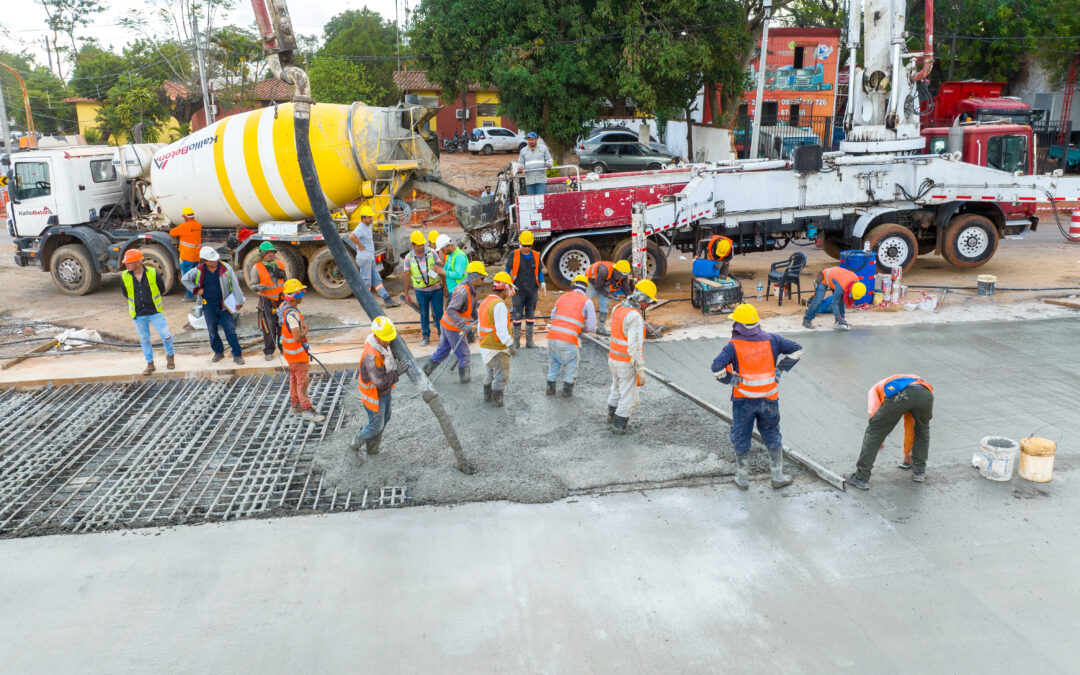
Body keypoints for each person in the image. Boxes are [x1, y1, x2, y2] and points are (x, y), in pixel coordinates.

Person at [710, 304, 804, 490]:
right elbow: (798, 350)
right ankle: (777, 476)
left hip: (743, 401)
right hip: (769, 399)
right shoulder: (773, 339)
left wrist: (732, 380)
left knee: (741, 435)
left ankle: (742, 478)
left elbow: (716, 368)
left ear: (738, 325)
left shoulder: (733, 346)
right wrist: (780, 370)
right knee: (772, 434)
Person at [846, 374, 935, 489]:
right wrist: (908, 456)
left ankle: (861, 477)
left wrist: (880, 438)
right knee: (921, 430)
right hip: (925, 393)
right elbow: (911, 427)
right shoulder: (913, 379)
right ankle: (919, 472)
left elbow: (874, 416)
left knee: (874, 431)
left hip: (900, 395)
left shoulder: (875, 389)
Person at [607, 279, 658, 434]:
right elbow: (634, 346)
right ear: (641, 299)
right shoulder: (634, 317)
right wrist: (639, 368)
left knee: (616, 389)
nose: (648, 305)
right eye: (648, 302)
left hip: (613, 359)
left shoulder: (618, 308)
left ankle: (610, 417)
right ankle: (619, 427)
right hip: (626, 363)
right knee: (628, 397)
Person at [423, 260, 487, 383]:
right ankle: (465, 381)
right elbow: (451, 310)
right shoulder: (463, 292)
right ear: (475, 277)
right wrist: (463, 325)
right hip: (453, 327)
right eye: (482, 278)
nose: (483, 281)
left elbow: (473, 307)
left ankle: (424, 373)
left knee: (443, 350)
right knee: (464, 354)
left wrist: (478, 320)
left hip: (448, 325)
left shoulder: (471, 290)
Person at [181, 245, 246, 365]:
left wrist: (239, 301)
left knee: (230, 330)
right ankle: (218, 352)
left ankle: (237, 354)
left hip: (225, 306)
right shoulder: (199, 271)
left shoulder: (225, 268)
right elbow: (184, 279)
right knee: (212, 331)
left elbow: (235, 285)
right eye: (211, 261)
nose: (215, 262)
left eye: (216, 259)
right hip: (209, 307)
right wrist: (196, 290)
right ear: (204, 261)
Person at [349, 316, 401, 456]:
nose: (389, 341)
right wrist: (397, 373)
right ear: (376, 336)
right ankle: (354, 444)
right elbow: (380, 382)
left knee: (386, 418)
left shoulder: (382, 346)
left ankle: (372, 448)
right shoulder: (372, 357)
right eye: (386, 339)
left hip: (384, 393)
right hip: (375, 396)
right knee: (375, 426)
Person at [276, 279, 326, 423]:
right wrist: (306, 330)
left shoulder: (284, 308)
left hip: (290, 354)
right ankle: (307, 410)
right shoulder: (292, 315)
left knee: (294, 379)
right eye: (301, 292)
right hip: (297, 355)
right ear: (294, 296)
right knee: (302, 383)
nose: (303, 294)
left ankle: (296, 405)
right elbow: (297, 336)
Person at [120, 248, 174, 376]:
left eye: (129, 263)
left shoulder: (153, 272)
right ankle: (150, 364)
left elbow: (161, 289)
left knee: (166, 335)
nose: (126, 265)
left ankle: (170, 356)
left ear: (138, 262)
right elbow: (125, 293)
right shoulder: (124, 275)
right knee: (144, 340)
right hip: (139, 314)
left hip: (155, 311)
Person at [546, 274, 597, 397]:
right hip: (568, 339)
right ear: (586, 288)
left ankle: (550, 389)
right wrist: (579, 329)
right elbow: (591, 326)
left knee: (554, 363)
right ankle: (566, 392)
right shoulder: (587, 302)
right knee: (572, 363)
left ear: (572, 286)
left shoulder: (562, 297)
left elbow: (553, 316)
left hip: (552, 337)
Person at [346, 205, 400, 309]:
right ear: (363, 218)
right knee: (366, 281)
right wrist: (360, 246)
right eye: (369, 217)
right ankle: (367, 303)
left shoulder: (368, 226)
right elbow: (351, 236)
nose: (372, 218)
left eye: (372, 216)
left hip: (369, 257)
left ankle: (387, 299)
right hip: (365, 258)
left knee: (377, 280)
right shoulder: (360, 228)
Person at [477, 271, 515, 406]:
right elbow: (501, 330)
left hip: (485, 345)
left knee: (490, 373)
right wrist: (510, 344)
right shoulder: (499, 305)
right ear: (505, 289)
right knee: (501, 375)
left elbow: (480, 325)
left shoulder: (484, 302)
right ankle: (496, 401)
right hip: (497, 347)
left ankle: (487, 396)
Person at [506, 230, 546, 350]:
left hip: (532, 290)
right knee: (517, 315)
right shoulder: (514, 254)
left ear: (531, 244)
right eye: (524, 245)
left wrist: (542, 282)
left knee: (530, 315)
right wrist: (508, 283)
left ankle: (529, 341)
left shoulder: (536, 255)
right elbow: (507, 270)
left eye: (529, 246)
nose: (526, 248)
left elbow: (539, 271)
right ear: (520, 243)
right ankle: (516, 342)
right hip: (518, 290)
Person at [403, 231, 444, 347]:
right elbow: (406, 275)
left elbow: (440, 268)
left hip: (436, 289)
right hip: (420, 291)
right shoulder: (408, 258)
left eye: (422, 244)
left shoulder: (432, 253)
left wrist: (444, 285)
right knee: (424, 314)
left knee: (439, 313)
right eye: (419, 245)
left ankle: (442, 335)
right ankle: (426, 336)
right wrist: (406, 294)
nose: (421, 247)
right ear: (413, 245)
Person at [251, 241, 287, 361]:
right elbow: (252, 285)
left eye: (272, 252)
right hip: (267, 301)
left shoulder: (280, 265)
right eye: (267, 252)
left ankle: (283, 348)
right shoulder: (257, 268)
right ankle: (269, 351)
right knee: (269, 328)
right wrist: (258, 287)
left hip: (281, 300)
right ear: (262, 254)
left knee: (282, 326)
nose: (270, 254)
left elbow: (285, 282)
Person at [802, 266, 867, 330]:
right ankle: (806, 320)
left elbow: (842, 299)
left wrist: (841, 319)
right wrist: (839, 317)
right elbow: (834, 303)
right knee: (818, 301)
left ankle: (839, 322)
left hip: (835, 278)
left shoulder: (856, 281)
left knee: (841, 299)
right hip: (824, 277)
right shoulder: (841, 286)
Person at [586, 259, 633, 333]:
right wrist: (608, 294)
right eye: (622, 275)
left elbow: (626, 288)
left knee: (605, 304)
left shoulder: (623, 274)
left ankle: (601, 328)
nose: (622, 277)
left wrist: (630, 299)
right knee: (584, 301)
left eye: (625, 275)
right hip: (592, 282)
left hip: (604, 283)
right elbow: (597, 287)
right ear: (616, 270)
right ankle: (578, 324)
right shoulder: (604, 271)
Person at [169, 206, 202, 301]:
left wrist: (172, 228)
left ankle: (190, 296)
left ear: (185, 217)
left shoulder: (184, 226)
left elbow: (172, 233)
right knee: (194, 277)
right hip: (196, 256)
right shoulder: (198, 225)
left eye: (183, 217)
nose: (183, 218)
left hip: (186, 256)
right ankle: (196, 295)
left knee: (187, 277)